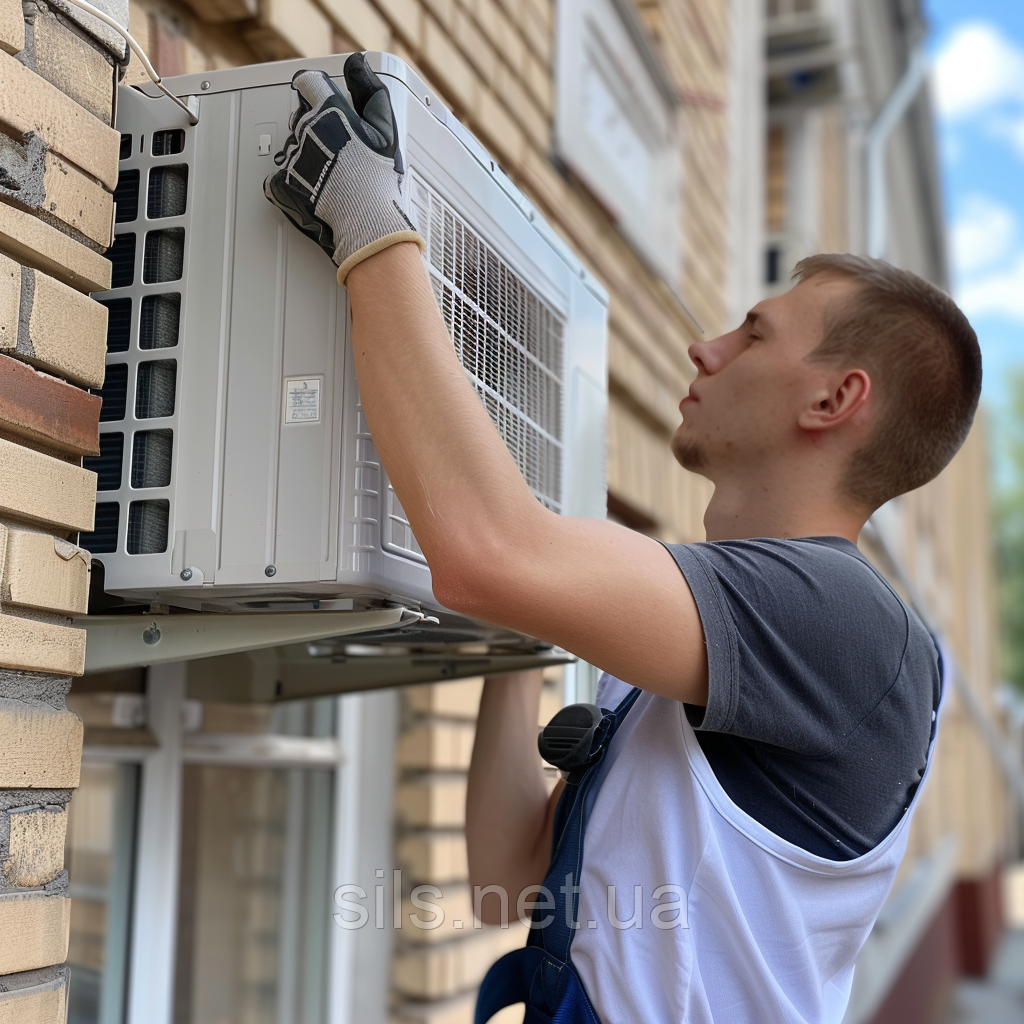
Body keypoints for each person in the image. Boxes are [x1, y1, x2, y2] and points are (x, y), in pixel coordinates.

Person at [264, 55, 982, 1024]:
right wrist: (524, 630)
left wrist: (369, 226)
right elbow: (505, 879)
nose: (703, 348)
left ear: (833, 399)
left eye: (753, 334)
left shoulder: (844, 620)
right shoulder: (701, 650)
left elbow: (482, 552)